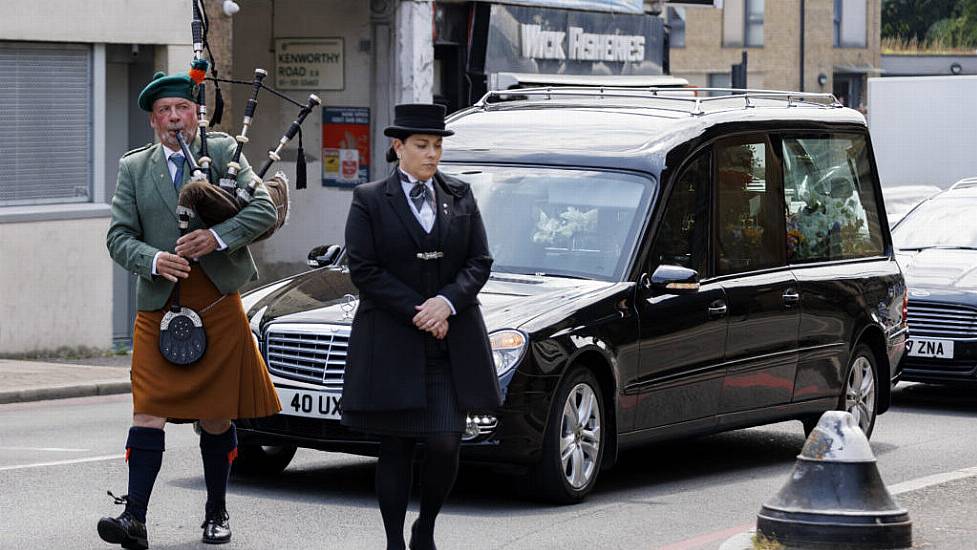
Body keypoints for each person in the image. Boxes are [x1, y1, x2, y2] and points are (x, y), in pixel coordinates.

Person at [99, 70, 281, 549]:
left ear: (196, 114)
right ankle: (134, 518)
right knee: (148, 411)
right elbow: (118, 238)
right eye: (163, 111)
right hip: (160, 305)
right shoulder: (135, 169)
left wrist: (216, 237)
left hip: (217, 300)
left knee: (217, 416)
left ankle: (216, 511)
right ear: (153, 122)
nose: (173, 118)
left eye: (181, 108)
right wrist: (155, 259)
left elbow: (264, 209)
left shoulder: (222, 153)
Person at [341, 103, 502, 550]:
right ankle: (394, 540)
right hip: (392, 341)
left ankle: (424, 528)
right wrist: (420, 310)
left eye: (437, 146)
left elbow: (479, 261)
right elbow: (364, 270)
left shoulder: (460, 194)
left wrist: (447, 303)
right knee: (395, 447)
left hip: (451, 342)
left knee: (447, 443)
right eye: (422, 146)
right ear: (398, 147)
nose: (432, 154)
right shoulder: (369, 199)